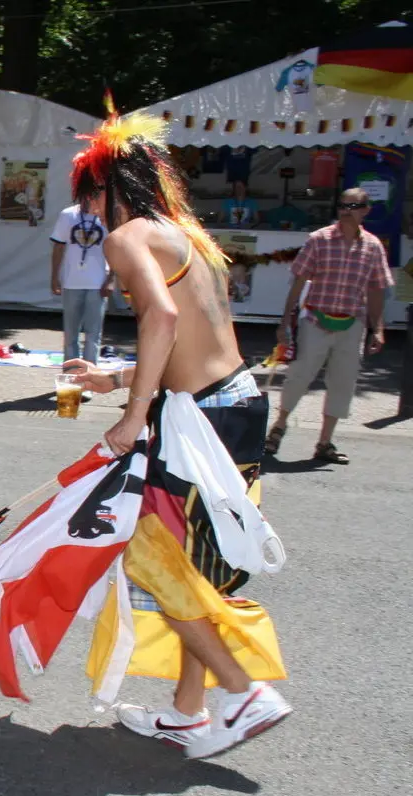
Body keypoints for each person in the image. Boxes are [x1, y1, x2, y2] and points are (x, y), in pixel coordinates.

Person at [60, 107, 290, 759]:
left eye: (89, 198)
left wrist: (134, 414)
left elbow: (160, 319)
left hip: (200, 422)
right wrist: (117, 377)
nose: (90, 212)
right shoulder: (187, 237)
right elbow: (196, 341)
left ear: (107, 188)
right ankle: (189, 714)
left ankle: (243, 692)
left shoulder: (127, 237)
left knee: (150, 558)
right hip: (239, 404)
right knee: (197, 570)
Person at [263, 187, 391, 465]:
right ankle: (279, 426)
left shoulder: (373, 246)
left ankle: (324, 442)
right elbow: (298, 281)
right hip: (315, 320)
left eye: (353, 206)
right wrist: (285, 321)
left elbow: (377, 289)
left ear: (366, 210)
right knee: (299, 376)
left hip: (352, 324)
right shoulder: (319, 239)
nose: (346, 210)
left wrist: (378, 328)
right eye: (342, 205)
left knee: (343, 383)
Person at [48, 202, 112, 367]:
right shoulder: (68, 214)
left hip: (97, 283)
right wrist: (54, 277)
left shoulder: (107, 215)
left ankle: (90, 374)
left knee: (93, 334)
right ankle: (71, 372)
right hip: (72, 282)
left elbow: (115, 249)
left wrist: (111, 279)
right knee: (71, 334)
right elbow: (58, 246)